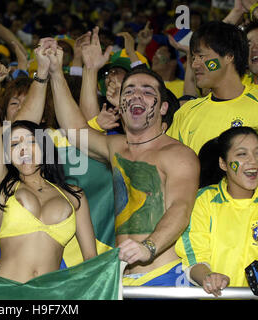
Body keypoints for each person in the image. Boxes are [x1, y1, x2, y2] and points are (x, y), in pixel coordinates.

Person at [47, 28, 200, 286]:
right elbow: (75, 130)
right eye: (128, 91)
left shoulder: (178, 154)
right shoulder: (117, 147)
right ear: (121, 105)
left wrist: (148, 248)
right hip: (120, 278)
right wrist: (55, 72)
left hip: (161, 274)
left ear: (163, 107)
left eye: (147, 91)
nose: (136, 95)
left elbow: (180, 209)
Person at [0, 20, 97, 283]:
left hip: (51, 298)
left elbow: (91, 264)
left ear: (45, 147)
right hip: (2, 293)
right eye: (14, 145)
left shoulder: (75, 197)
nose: (23, 150)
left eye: (30, 142)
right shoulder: (2, 186)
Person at [175, 126, 258, 297]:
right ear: (223, 163)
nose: (253, 161)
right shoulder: (202, 200)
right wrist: (208, 277)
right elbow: (194, 257)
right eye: (242, 154)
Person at [167, 21, 258, 155]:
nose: (194, 65)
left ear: (229, 56)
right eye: (193, 58)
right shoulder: (186, 113)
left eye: (201, 56)